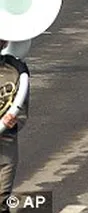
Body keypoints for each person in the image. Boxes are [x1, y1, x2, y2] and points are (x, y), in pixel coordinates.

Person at [0, 41, 29, 208]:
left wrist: (14, 121)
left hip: (5, 146)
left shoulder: (16, 71)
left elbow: (22, 109)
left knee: (2, 199)